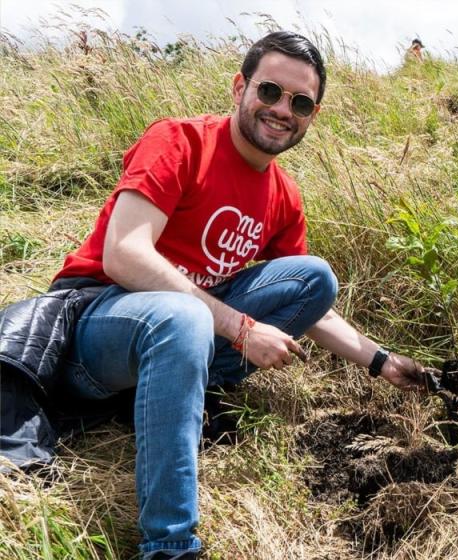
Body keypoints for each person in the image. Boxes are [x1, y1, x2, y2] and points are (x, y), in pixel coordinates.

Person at [51, 31, 424, 559]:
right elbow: (124, 255)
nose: (281, 110)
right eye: (269, 91)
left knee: (314, 278)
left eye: (299, 103)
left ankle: (169, 394)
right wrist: (240, 327)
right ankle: (171, 546)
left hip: (182, 331)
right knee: (185, 319)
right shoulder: (180, 142)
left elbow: (311, 307)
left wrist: (382, 360)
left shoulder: (282, 196)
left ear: (311, 116)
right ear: (239, 88)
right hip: (98, 323)